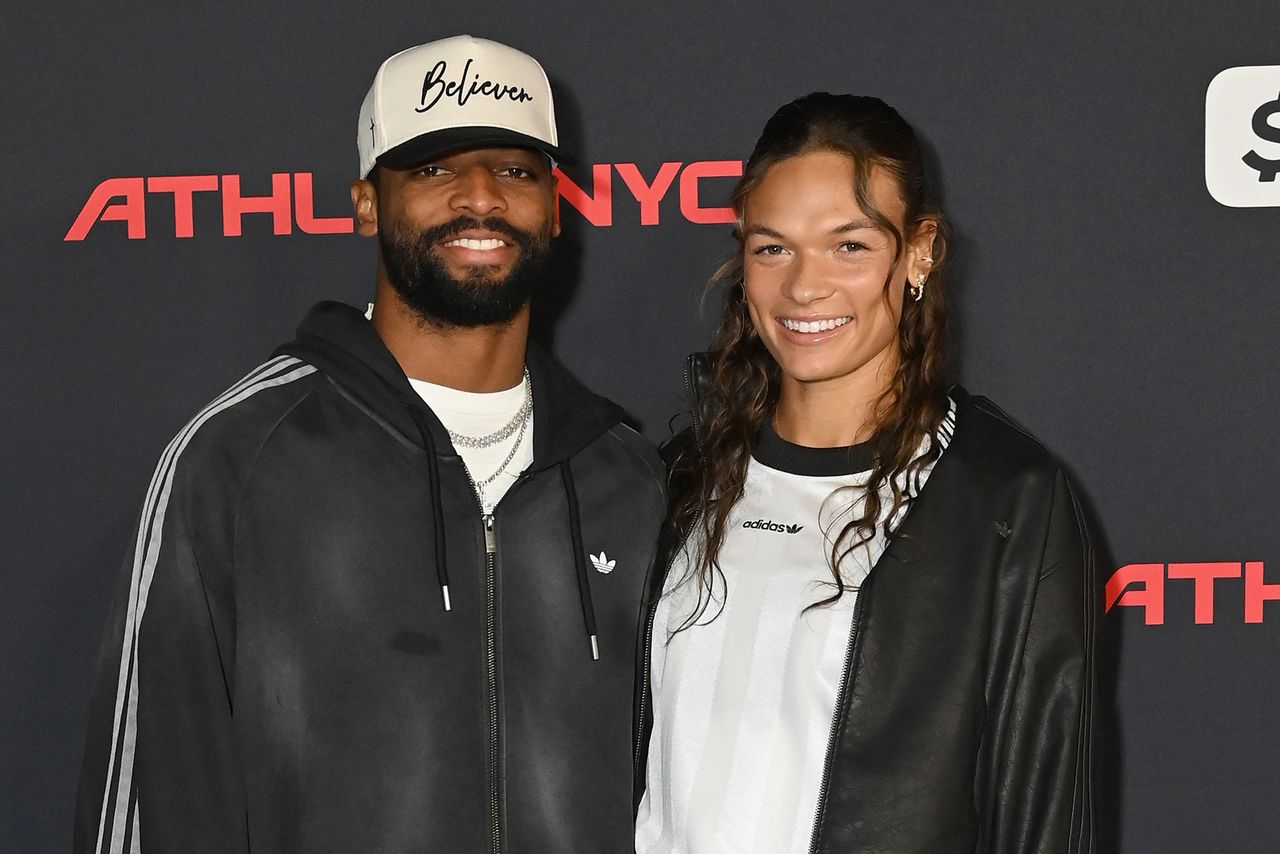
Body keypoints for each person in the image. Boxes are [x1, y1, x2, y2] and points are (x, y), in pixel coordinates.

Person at [75, 35, 665, 854]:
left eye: (516, 170)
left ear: (555, 207)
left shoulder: (627, 477)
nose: (481, 198)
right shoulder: (240, 458)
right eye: (433, 169)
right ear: (364, 202)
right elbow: (152, 801)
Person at [635, 93, 1097, 853]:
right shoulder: (679, 484)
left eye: (849, 246)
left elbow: (1042, 811)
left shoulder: (1003, 501)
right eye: (772, 247)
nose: (804, 287)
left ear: (919, 251)